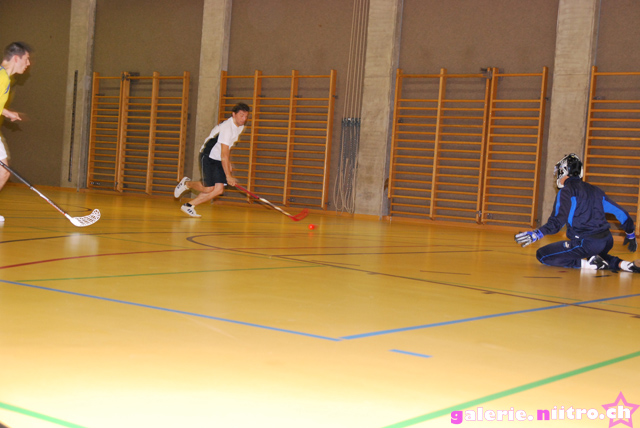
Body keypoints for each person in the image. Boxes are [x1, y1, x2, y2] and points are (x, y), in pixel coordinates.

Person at [515, 153, 640, 273]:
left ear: (563, 172)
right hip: (606, 241)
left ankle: (589, 265)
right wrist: (630, 234)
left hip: (587, 242)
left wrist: (537, 234)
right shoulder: (595, 190)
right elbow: (621, 212)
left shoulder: (566, 191)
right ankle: (624, 265)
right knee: (594, 255)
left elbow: (557, 222)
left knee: (543, 255)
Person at [174, 102, 250, 217]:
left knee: (218, 190)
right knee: (208, 188)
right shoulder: (227, 128)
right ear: (233, 114)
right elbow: (224, 154)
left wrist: (228, 163)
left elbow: (227, 148)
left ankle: (189, 205)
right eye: (241, 115)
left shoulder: (240, 127)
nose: (244, 119)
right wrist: (228, 175)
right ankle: (186, 184)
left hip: (219, 158)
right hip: (208, 155)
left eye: (246, 116)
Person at [0, 42, 31, 222]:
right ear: (17, 58)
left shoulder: (4, 77)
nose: (28, 64)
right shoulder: (2, 77)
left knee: (3, 172)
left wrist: (6, 112)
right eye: (26, 59)